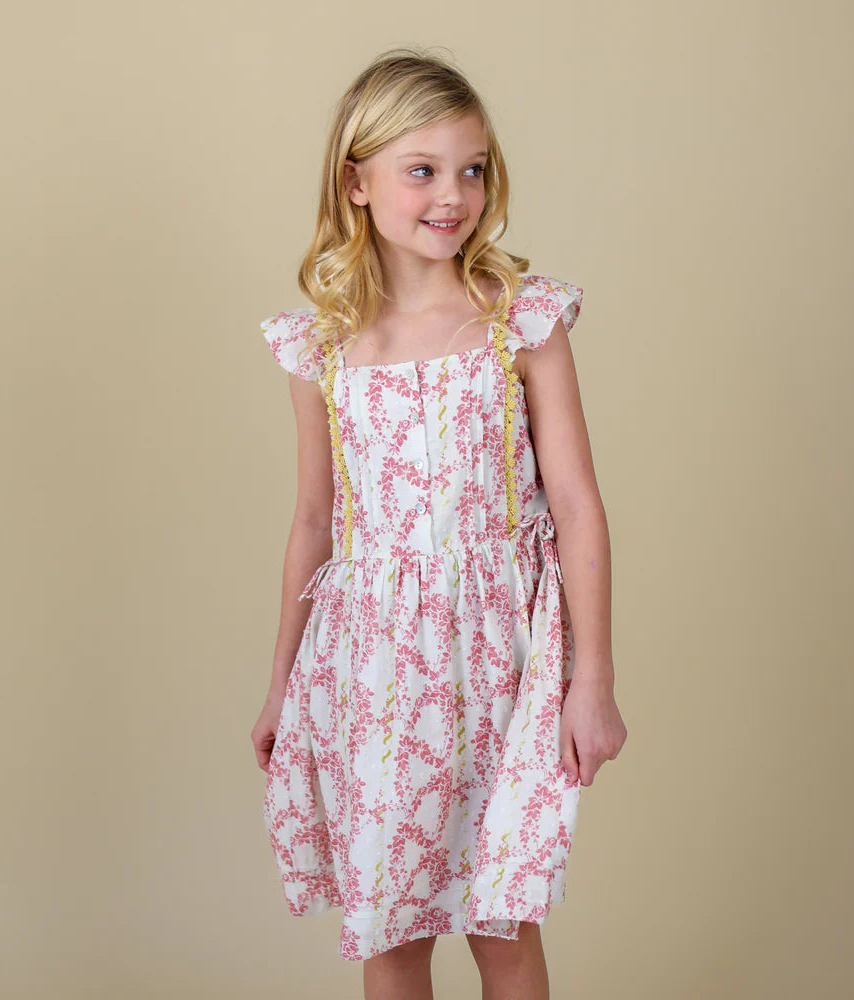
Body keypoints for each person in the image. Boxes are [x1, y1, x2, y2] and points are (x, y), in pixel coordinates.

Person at [251, 46, 626, 999]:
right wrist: (282, 683)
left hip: (504, 660)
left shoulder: (520, 323)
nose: (453, 195)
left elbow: (577, 505)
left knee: (504, 928)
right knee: (394, 933)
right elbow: (313, 522)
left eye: (472, 169)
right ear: (357, 182)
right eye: (422, 170)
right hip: (375, 670)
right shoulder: (323, 348)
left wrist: (591, 679)